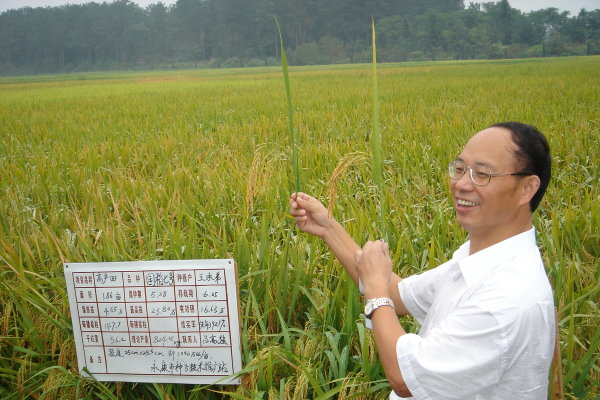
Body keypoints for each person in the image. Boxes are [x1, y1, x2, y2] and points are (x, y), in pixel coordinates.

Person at [289, 122, 555, 399]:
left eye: (483, 174)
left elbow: (405, 379)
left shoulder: (507, 297)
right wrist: (328, 229)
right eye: (461, 169)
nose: (462, 184)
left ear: (527, 188)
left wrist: (377, 293)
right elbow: (397, 294)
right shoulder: (479, 261)